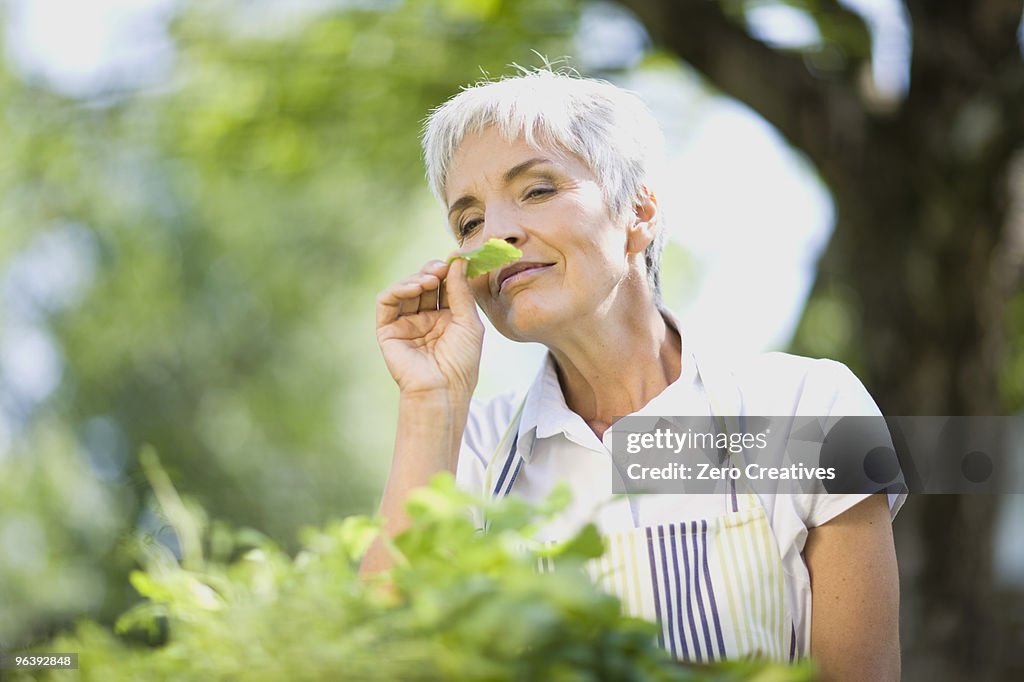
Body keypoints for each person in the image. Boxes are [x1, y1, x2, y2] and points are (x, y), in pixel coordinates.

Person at [362, 68, 903, 681]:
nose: (499, 233)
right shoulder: (466, 451)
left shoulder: (813, 404)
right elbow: (384, 656)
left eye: (537, 190)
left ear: (638, 212)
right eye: (469, 223)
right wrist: (430, 402)